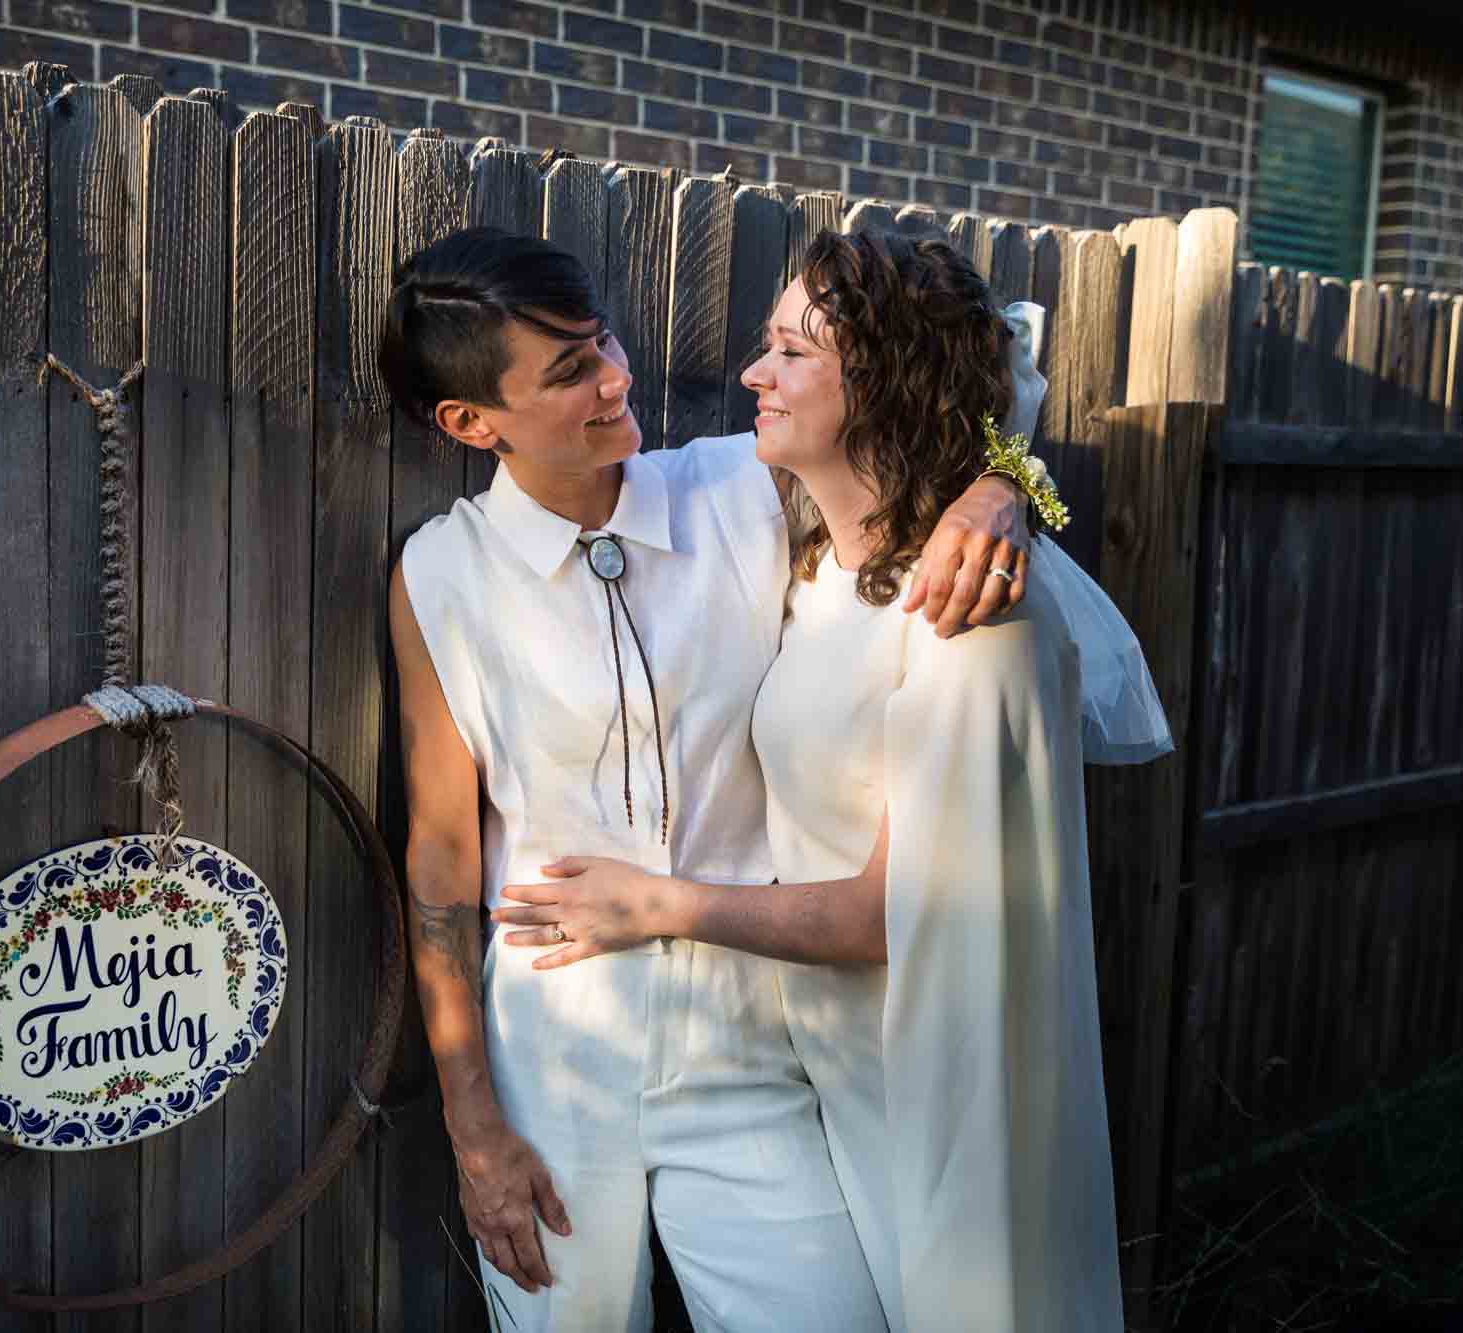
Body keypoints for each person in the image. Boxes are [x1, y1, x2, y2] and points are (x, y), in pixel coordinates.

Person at [493, 229, 1172, 1331]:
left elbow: (898, 914)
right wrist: (998, 479)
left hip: (939, 1076)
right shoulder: (819, 563)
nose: (755, 374)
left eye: (793, 351)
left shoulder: (971, 618)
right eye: (767, 344)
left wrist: (654, 904)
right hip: (830, 1065)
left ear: (887, 382)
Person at [382, 226, 1039, 1331]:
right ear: (467, 421)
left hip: (753, 1040)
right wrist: (473, 1125)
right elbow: (441, 856)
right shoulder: (439, 573)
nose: (613, 379)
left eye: (602, 344)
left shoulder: (740, 488)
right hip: (554, 1061)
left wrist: (998, 486)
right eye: (567, 372)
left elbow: (936, 408)